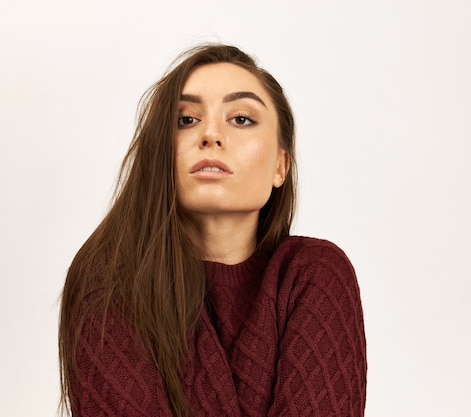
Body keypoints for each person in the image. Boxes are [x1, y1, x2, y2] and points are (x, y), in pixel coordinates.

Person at [58, 44, 367, 417]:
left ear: (280, 167)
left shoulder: (314, 274)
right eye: (186, 120)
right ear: (160, 154)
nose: (210, 135)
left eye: (241, 119)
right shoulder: (111, 281)